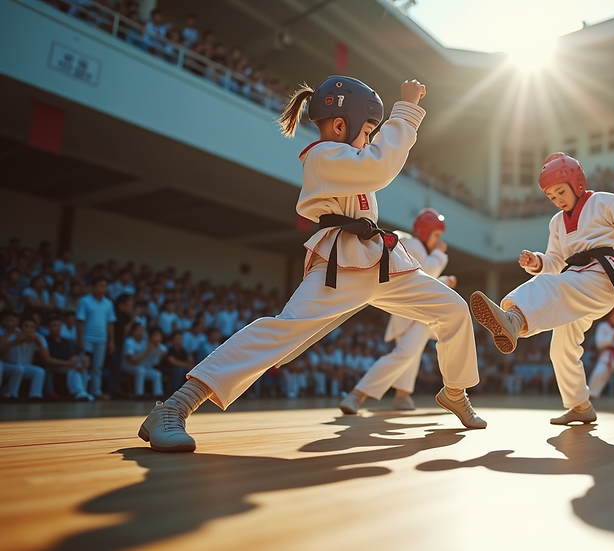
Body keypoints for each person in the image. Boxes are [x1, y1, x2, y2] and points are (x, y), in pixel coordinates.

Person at [139, 76, 485, 453]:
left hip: (380, 262)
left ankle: (454, 391)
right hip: (341, 265)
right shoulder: (323, 156)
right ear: (339, 126)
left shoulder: (346, 157)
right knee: (282, 332)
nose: (370, 139)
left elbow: (375, 166)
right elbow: (381, 167)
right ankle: (174, 407)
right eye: (367, 131)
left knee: (453, 309)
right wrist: (406, 110)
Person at [469, 152, 614, 425]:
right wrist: (537, 261)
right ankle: (580, 405)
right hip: (574, 281)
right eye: (551, 196)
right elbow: (555, 260)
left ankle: (514, 319)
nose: (557, 200)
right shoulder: (556, 223)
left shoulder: (604, 202)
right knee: (561, 347)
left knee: (549, 285)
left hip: (600, 277)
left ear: (578, 183)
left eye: (561, 191)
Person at [339, 208, 458, 413]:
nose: (439, 241)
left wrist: (444, 280)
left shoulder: (416, 248)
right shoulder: (413, 245)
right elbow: (427, 273)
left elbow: (421, 281)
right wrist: (439, 254)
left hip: (416, 313)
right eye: (436, 235)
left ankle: (402, 395)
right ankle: (357, 394)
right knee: (405, 354)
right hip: (411, 312)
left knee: (410, 354)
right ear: (425, 232)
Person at [75, 277, 116, 400]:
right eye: (100, 285)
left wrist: (111, 341)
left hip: (102, 339)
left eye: (105, 286)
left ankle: (96, 391)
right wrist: (80, 339)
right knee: (84, 364)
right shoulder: (85, 301)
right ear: (93, 287)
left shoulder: (108, 303)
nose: (103, 288)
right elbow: (80, 321)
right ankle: (82, 391)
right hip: (87, 337)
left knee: (98, 367)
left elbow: (110, 323)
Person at [41, 316, 93, 401]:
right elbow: (47, 359)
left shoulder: (66, 341)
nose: (57, 328)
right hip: (52, 366)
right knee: (72, 369)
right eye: (54, 325)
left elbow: (73, 355)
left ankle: (84, 392)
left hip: (66, 364)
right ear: (48, 327)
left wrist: (83, 361)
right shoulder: (45, 340)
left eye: (59, 325)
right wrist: (68, 363)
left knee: (82, 367)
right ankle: (78, 392)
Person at [0, 315, 49, 401]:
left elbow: (46, 357)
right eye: (26, 326)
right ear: (21, 327)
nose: (29, 329)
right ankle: (11, 394)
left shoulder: (38, 338)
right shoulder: (13, 336)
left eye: (32, 327)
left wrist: (39, 343)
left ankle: (35, 396)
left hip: (25, 366)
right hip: (8, 364)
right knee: (18, 369)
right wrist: (19, 341)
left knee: (39, 371)